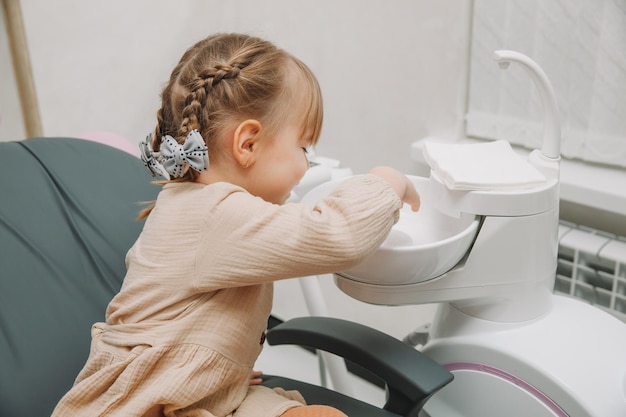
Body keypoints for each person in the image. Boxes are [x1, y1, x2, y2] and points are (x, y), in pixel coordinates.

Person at [51, 33, 419, 417]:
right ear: (247, 144)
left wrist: (221, 368)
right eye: (303, 148)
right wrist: (387, 183)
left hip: (199, 393)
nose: (306, 164)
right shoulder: (214, 214)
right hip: (143, 404)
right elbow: (337, 235)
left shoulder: (201, 204)